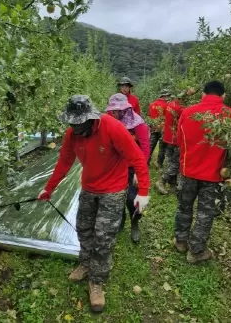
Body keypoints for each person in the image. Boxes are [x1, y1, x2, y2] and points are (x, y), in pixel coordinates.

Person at [38, 95, 150, 312]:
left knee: (103, 236)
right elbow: (64, 162)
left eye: (79, 123)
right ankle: (86, 263)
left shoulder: (112, 128)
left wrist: (143, 191)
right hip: (89, 188)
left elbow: (137, 158)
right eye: (72, 123)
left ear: (91, 118)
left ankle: (96, 281)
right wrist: (49, 188)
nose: (76, 127)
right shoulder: (73, 134)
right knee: (84, 229)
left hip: (113, 190)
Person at [174, 81, 231, 263]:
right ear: (223, 96)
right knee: (204, 214)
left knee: (184, 207)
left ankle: (180, 241)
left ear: (203, 94)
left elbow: (179, 141)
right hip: (214, 174)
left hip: (188, 171)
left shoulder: (187, 112)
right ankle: (196, 251)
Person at [106, 93, 150, 243]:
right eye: (113, 110)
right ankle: (121, 220)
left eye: (118, 110)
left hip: (132, 166)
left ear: (126, 109)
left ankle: (135, 221)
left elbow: (145, 147)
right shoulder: (110, 120)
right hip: (116, 165)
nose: (115, 113)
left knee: (133, 198)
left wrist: (139, 171)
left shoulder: (138, 124)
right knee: (116, 197)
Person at [156, 94, 184, 195]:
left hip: (169, 137)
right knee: (176, 163)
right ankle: (162, 181)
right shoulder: (180, 108)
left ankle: (173, 185)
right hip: (176, 139)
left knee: (172, 160)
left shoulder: (170, 104)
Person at [148, 89, 171, 168]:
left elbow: (150, 116)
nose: (168, 98)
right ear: (164, 96)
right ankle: (159, 164)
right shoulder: (167, 106)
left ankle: (146, 162)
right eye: (167, 96)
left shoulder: (152, 104)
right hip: (162, 129)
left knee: (150, 146)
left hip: (153, 127)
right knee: (162, 147)